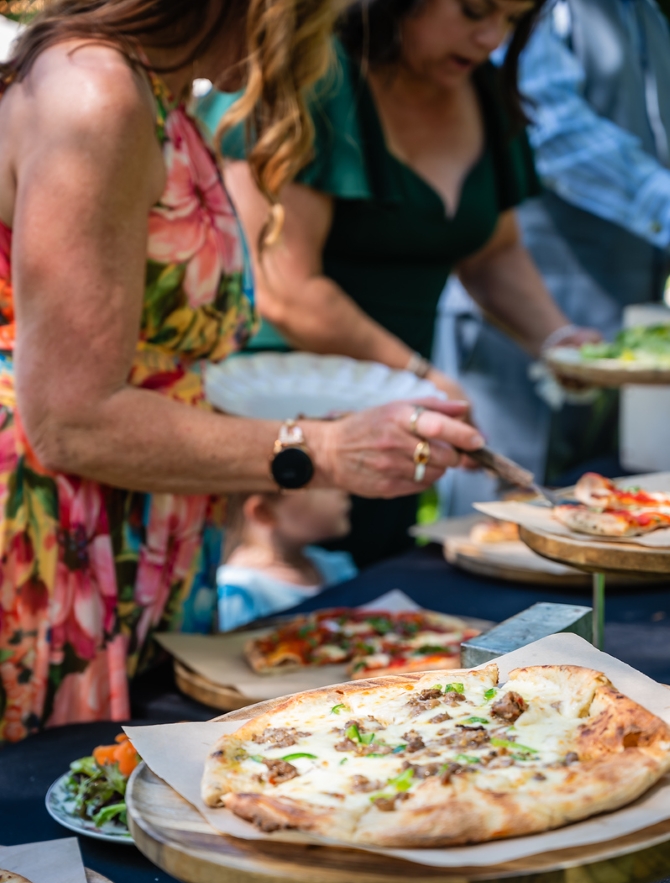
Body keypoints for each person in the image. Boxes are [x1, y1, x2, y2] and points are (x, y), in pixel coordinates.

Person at [0, 0, 485, 742]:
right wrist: (322, 450)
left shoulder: (155, 94)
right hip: (60, 548)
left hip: (144, 535)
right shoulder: (97, 94)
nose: (318, 43)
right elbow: (72, 419)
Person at [198, 0, 601, 567]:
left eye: (512, 20)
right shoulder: (317, 72)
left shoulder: (482, 90)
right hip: (285, 428)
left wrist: (557, 340)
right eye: (474, 11)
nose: (491, 37)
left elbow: (491, 250)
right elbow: (287, 290)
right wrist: (422, 378)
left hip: (398, 423)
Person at [437, 0, 670, 513]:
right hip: (515, 327)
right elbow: (556, 130)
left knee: (602, 508)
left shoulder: (647, 15)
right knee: (501, 521)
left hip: (610, 337)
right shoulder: (551, 8)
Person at [217, 488, 356, 630]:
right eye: (321, 486)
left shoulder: (336, 566)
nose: (343, 490)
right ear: (264, 512)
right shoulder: (236, 592)